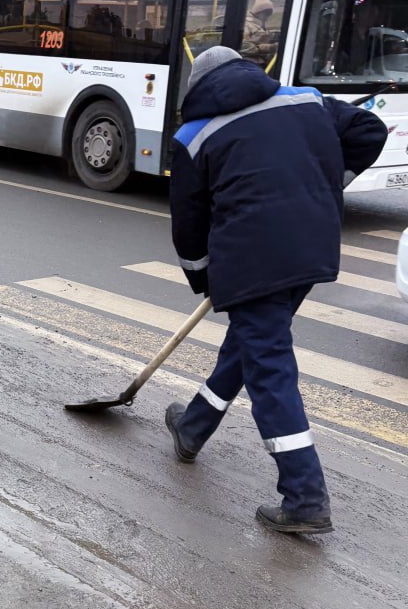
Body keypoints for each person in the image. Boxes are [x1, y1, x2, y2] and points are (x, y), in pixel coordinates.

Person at [165, 46, 388, 535]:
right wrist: (326, 184)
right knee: (250, 343)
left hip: (251, 260)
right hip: (311, 249)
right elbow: (370, 131)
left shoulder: (193, 136)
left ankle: (305, 497)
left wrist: (204, 278)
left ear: (197, 88)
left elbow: (189, 226)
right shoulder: (304, 100)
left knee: (269, 368)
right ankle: (193, 426)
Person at [241, 0, 278, 67]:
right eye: (266, 14)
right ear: (259, 12)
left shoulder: (260, 24)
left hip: (261, 61)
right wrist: (270, 48)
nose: (267, 17)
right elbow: (243, 46)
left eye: (269, 14)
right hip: (250, 63)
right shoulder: (246, 25)